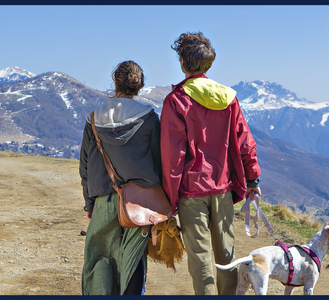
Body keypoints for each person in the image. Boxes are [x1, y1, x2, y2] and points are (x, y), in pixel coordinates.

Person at [160, 32, 262, 295]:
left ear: (183, 62)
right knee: (226, 255)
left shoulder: (176, 101)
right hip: (224, 187)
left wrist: (169, 201)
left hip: (191, 192)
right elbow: (245, 142)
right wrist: (252, 180)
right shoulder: (228, 98)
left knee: (200, 258)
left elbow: (174, 158)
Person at [79, 60, 162, 295]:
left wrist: (89, 202)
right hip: (140, 203)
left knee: (100, 257)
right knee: (133, 259)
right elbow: (158, 161)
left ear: (115, 82)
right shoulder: (148, 118)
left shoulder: (94, 119)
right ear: (139, 86)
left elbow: (85, 165)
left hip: (104, 200)